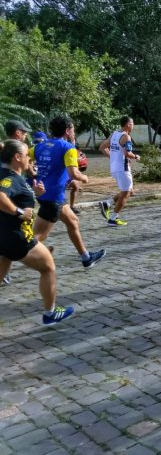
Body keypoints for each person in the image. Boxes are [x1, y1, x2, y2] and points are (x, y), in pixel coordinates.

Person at [0, 139, 74, 325]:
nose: (30, 160)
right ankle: (50, 314)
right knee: (48, 267)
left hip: (4, 236)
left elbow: (15, 197)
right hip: (17, 236)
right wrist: (18, 212)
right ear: (17, 157)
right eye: (27, 156)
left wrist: (34, 193)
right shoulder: (11, 177)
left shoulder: (10, 175)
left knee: (3, 265)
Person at [32, 115, 107, 269]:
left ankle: (86, 257)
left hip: (47, 194)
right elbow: (74, 173)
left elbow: (24, 156)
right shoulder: (68, 148)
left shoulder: (41, 146)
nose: (74, 132)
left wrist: (32, 174)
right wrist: (84, 178)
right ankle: (6, 261)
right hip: (53, 198)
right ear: (67, 130)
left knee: (73, 221)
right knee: (37, 237)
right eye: (73, 129)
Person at [99, 115, 140, 227]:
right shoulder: (126, 137)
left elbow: (102, 147)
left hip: (115, 168)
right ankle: (113, 219)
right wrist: (136, 156)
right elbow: (127, 153)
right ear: (128, 124)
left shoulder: (114, 134)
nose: (133, 126)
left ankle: (107, 203)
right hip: (123, 168)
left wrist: (112, 158)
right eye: (132, 124)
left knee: (130, 191)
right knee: (126, 192)